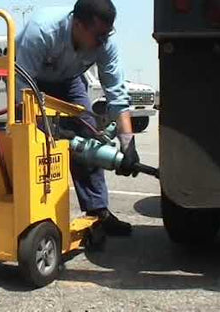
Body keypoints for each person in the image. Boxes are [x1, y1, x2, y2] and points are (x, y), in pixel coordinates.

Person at [15, 0, 140, 236]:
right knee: (35, 144)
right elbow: (20, 88)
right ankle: (27, 212)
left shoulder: (105, 44)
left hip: (70, 81)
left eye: (107, 34)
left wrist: (127, 143)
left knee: (89, 137)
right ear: (78, 24)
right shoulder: (42, 32)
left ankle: (98, 211)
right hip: (31, 84)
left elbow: (116, 93)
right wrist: (50, 129)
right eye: (99, 35)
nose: (104, 41)